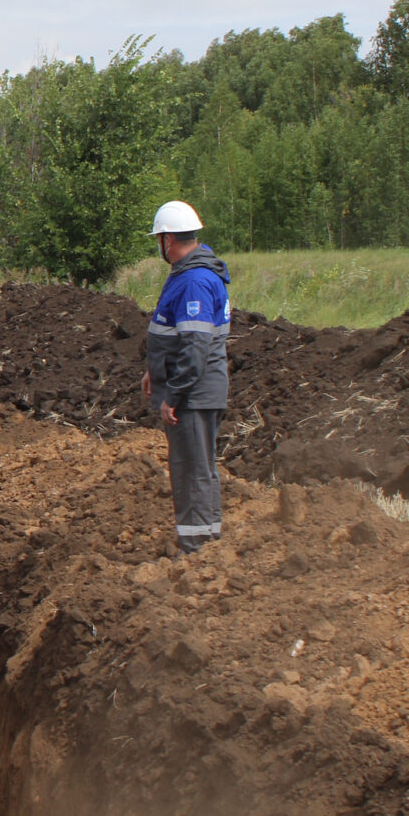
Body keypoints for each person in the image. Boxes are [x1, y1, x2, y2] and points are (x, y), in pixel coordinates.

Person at [140, 200, 232, 557]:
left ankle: (198, 550)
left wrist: (173, 396)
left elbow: (195, 348)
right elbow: (176, 334)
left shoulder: (194, 280)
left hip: (194, 395)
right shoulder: (189, 273)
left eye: (158, 239)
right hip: (194, 390)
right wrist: (155, 371)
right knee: (196, 467)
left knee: (192, 470)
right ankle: (203, 544)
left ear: (167, 239)